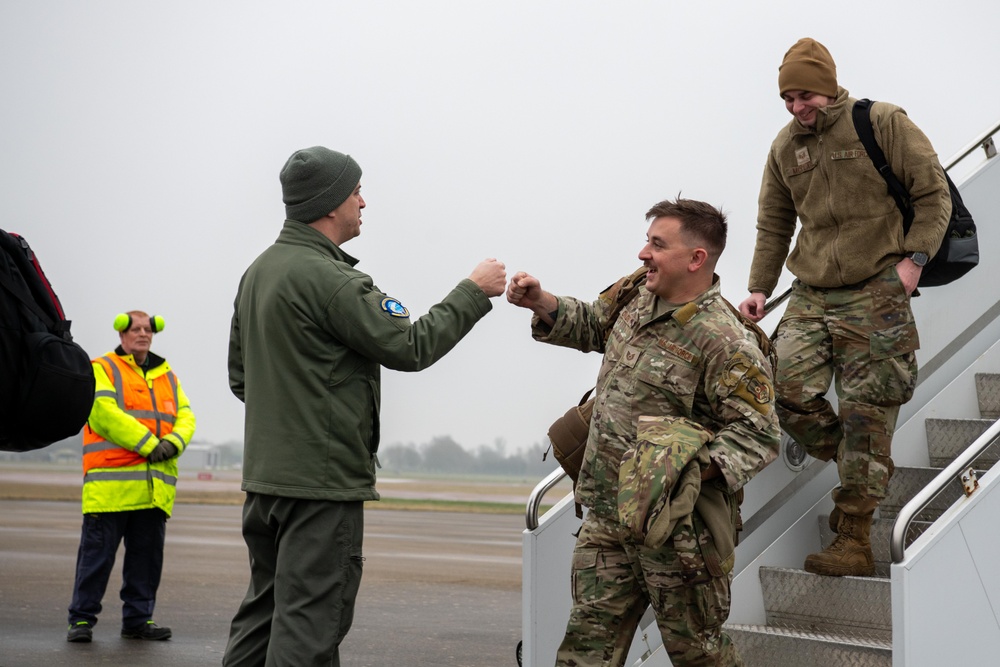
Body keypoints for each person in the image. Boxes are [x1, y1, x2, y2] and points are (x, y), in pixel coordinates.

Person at [222, 146, 507, 667]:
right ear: (330, 204)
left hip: (266, 484)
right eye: (355, 191)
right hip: (319, 488)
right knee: (308, 630)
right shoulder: (331, 280)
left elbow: (243, 379)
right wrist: (474, 291)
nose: (363, 202)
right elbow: (411, 345)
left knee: (262, 617)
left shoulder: (259, 272)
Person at [508, 197, 780, 667]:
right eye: (647, 241)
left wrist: (681, 472)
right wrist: (541, 301)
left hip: (678, 535)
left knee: (700, 655)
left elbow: (758, 435)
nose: (642, 254)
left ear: (696, 258)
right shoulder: (637, 293)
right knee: (584, 655)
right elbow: (593, 323)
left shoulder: (726, 341)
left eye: (657, 244)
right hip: (608, 520)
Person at [738, 37, 951, 577]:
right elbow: (774, 223)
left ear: (828, 87)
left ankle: (853, 540)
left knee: (867, 409)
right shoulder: (784, 147)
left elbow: (933, 194)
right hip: (812, 291)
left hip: (879, 285)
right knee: (779, 387)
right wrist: (760, 286)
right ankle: (863, 456)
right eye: (787, 99)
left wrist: (915, 261)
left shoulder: (880, 122)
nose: (796, 108)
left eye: (804, 95)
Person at [66, 311, 195, 643]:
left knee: (146, 563)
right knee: (96, 559)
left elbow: (186, 416)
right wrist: (151, 444)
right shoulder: (103, 368)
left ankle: (138, 620)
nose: (143, 334)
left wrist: (174, 442)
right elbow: (104, 413)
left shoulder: (168, 376)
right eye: (136, 329)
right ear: (122, 334)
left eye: (148, 329)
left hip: (153, 492)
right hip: (111, 491)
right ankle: (81, 620)